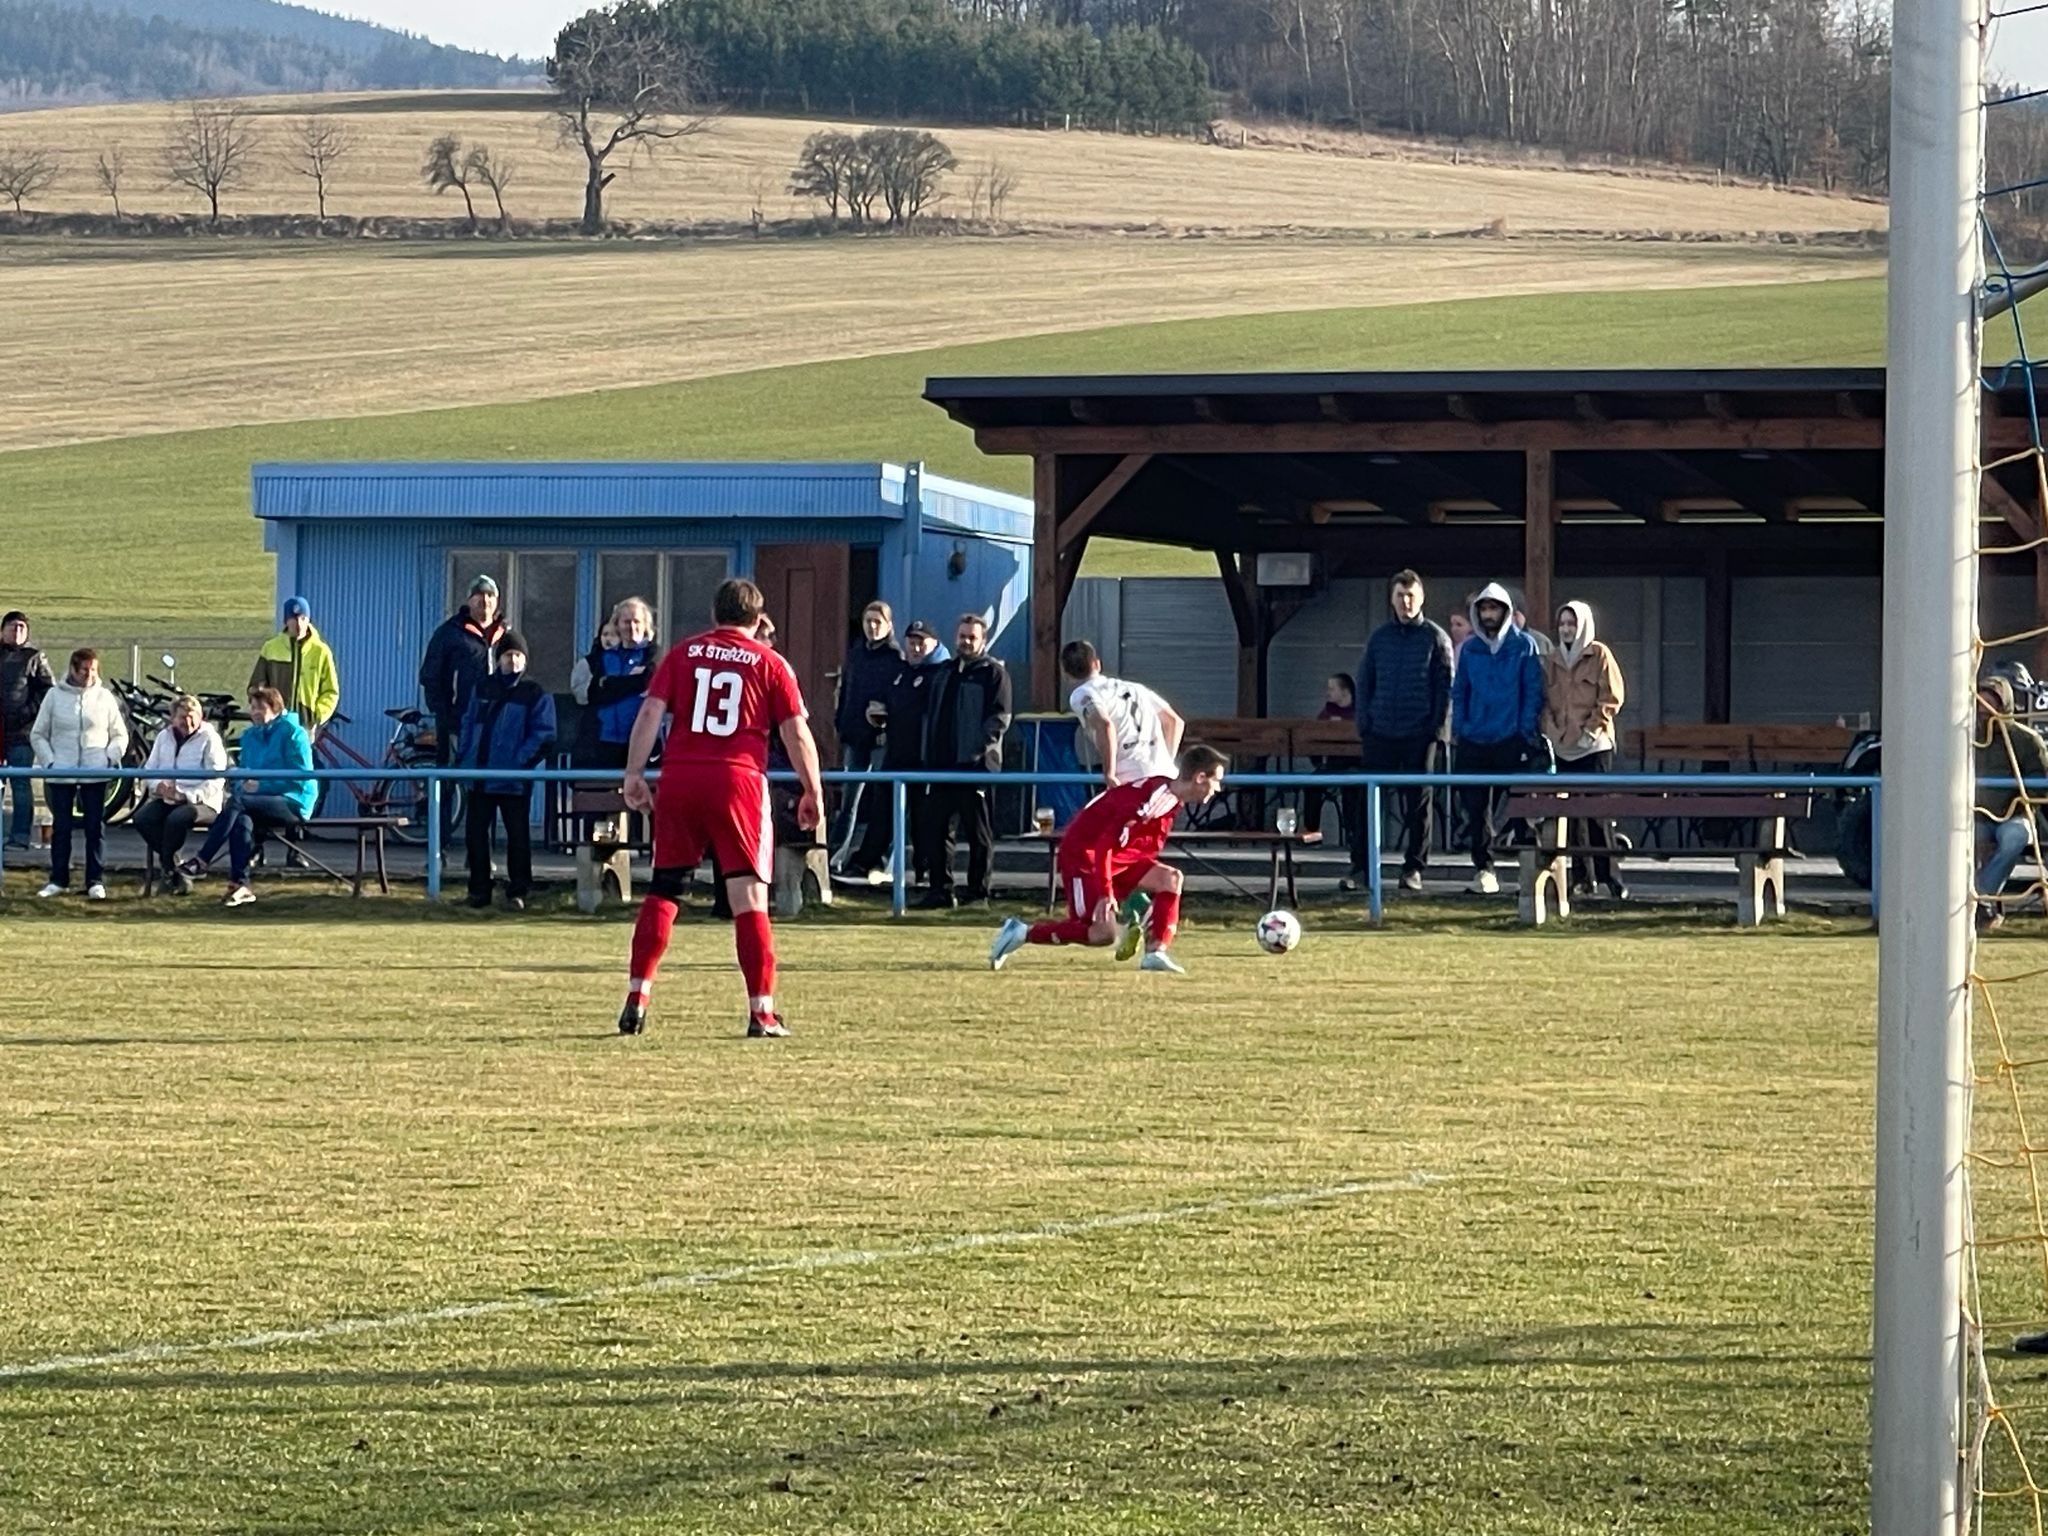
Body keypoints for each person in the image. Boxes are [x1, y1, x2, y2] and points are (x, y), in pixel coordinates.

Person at [616, 577, 825, 1038]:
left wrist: (633, 773)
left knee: (665, 889)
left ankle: (637, 996)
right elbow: (795, 732)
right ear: (758, 619)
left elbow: (650, 713)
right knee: (749, 897)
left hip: (681, 778)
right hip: (738, 782)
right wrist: (813, 789)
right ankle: (761, 1011)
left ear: (714, 615)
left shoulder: (682, 654)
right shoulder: (770, 662)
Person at [989, 743, 1229, 976]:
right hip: (1084, 856)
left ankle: (1155, 953)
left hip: (1116, 859)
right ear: (1199, 777)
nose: (1218, 788)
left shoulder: (1168, 796)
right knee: (1102, 934)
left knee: (1171, 879)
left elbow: (1136, 843)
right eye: (1216, 780)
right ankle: (1023, 932)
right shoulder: (1148, 801)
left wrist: (1136, 893)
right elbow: (1105, 845)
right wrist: (1106, 892)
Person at [1355, 570, 1454, 895]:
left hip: (1418, 735)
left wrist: (1435, 730)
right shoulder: (1379, 638)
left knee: (1418, 805)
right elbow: (1365, 681)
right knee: (1368, 802)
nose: (1406, 602)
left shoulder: (1435, 638)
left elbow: (1445, 687)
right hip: (1380, 732)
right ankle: (1361, 868)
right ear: (1392, 598)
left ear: (1421, 598)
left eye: (1411, 595)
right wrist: (1365, 723)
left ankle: (1413, 868)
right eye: (1400, 595)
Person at [180, 686, 317, 908]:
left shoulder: (294, 733)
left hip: (293, 801)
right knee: (241, 819)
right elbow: (244, 773)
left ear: (275, 709)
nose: (254, 713)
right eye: (252, 707)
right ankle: (240, 885)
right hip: (254, 802)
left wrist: (261, 786)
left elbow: (300, 777)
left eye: (260, 708)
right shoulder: (249, 736)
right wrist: (243, 785)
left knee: (238, 803)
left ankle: (203, 859)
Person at [1450, 581, 1546, 895]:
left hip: (1511, 738)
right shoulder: (1470, 649)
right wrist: (1462, 727)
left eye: (1494, 608)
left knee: (1522, 809)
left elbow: (1532, 691)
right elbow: (1460, 690)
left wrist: (1524, 730)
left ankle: (1529, 874)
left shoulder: (1524, 646)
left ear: (1506, 611)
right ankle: (1484, 870)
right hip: (1474, 740)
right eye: (1484, 609)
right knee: (1477, 810)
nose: (1489, 615)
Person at [916, 613, 1012, 909]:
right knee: (937, 831)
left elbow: (1000, 719)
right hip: (941, 767)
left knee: (978, 834)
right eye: (962, 636)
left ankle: (977, 893)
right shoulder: (944, 672)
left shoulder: (994, 674)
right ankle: (940, 891)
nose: (966, 642)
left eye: (972, 637)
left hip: (976, 768)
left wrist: (977, 752)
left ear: (983, 640)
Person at [458, 630, 558, 911]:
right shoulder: (482, 688)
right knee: (475, 835)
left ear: (525, 660)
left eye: (517, 655)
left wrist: (519, 763)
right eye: (508, 655)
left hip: (514, 779)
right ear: (499, 658)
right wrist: (465, 757)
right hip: (480, 776)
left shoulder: (534, 693)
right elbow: (468, 723)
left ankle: (518, 891)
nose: (512, 660)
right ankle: (478, 891)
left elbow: (544, 734)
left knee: (518, 837)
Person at [1542, 599, 1628, 901]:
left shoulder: (1600, 654)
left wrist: (1591, 729)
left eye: (1572, 623)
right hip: (1563, 746)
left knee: (1596, 813)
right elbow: (1545, 701)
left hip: (1594, 746)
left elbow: (1612, 697)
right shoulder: (1552, 659)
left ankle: (1610, 877)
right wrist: (1553, 732)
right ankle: (1582, 878)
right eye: (1563, 624)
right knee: (1572, 817)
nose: (1566, 629)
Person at [845, 618, 942, 883]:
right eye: (911, 642)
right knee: (882, 812)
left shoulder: (940, 674)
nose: (915, 648)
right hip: (896, 755)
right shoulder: (901, 673)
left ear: (934, 644)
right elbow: (888, 704)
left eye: (921, 643)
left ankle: (924, 872)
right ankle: (865, 862)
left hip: (925, 759)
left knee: (923, 819)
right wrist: (877, 713)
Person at [29, 647, 128, 900]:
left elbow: (120, 734)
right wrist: (50, 762)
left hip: (96, 773)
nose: (89, 675)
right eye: (84, 670)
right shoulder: (54, 696)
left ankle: (95, 881)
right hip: (61, 772)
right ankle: (58, 880)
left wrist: (110, 757)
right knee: (61, 827)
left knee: (95, 827)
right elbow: (38, 734)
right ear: (73, 669)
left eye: (93, 670)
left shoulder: (105, 697)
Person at [830, 600, 903, 870]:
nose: (872, 627)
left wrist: (887, 719)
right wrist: (841, 723)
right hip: (856, 737)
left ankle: (884, 862)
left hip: (882, 739)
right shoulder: (857, 654)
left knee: (884, 801)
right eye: (868, 621)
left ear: (889, 625)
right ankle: (834, 858)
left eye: (877, 622)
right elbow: (846, 692)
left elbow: (901, 699)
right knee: (849, 802)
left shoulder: (896, 658)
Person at [133, 694, 228, 894]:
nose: (188, 722)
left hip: (203, 802)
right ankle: (176, 869)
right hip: (167, 798)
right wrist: (159, 787)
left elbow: (217, 779)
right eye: (183, 717)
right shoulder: (163, 737)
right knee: (142, 818)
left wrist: (187, 796)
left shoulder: (210, 738)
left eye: (193, 717)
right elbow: (149, 770)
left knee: (176, 819)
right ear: (173, 718)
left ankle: (168, 873)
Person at [1976, 673, 2048, 929]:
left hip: (2014, 816)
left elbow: (2039, 782)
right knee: (1957, 838)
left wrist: (2017, 803)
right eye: (1980, 704)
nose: (1984, 711)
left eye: (1990, 704)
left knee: (2015, 837)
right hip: (1975, 816)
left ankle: (1981, 896)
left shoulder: (2026, 740)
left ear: (2003, 704)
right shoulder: (1964, 738)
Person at [1062, 639, 1183, 789]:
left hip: (1131, 778)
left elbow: (1105, 725)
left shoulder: (1083, 694)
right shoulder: (1136, 688)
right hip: (1166, 776)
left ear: (1065, 673)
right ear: (1097, 664)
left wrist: (1109, 773)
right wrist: (1166, 762)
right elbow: (1174, 722)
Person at [420, 573, 506, 777]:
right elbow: (430, 675)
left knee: (490, 781)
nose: (485, 600)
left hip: (497, 723)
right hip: (457, 722)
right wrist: (444, 714)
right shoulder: (449, 633)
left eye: (490, 595)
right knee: (451, 779)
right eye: (479, 595)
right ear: (469, 600)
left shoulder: (506, 635)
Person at [576, 598, 658, 771]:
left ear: (645, 625)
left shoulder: (654, 657)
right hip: (605, 740)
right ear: (617, 625)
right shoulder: (603, 658)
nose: (632, 627)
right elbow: (595, 694)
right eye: (626, 622)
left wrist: (612, 684)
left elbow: (653, 687)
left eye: (637, 621)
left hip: (643, 741)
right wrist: (635, 682)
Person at [0, 610, 54, 850]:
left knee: (20, 784)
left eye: (22, 627)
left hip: (21, 733)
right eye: (13, 626)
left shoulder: (34, 658)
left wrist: (27, 712)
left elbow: (47, 690)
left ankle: (20, 837)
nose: (17, 631)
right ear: (2, 630)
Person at [249, 596, 339, 735]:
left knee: (300, 750)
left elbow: (330, 692)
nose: (299, 624)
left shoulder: (321, 651)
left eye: (303, 618)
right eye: (294, 619)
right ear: (286, 621)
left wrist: (317, 715)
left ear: (309, 620)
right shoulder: (271, 648)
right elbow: (256, 687)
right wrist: (262, 712)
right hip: (274, 725)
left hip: (304, 726)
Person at [569, 616, 622, 762]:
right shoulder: (588, 663)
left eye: (614, 635)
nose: (608, 639)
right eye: (605, 634)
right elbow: (580, 696)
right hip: (593, 727)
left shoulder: (629, 663)